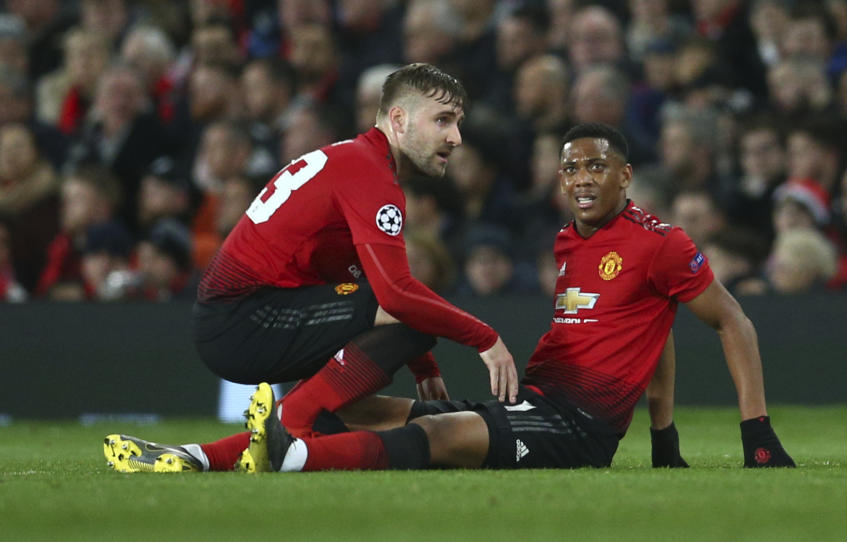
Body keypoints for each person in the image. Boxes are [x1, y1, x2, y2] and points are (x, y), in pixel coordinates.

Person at [226, 123, 792, 473]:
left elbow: (733, 322)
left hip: (576, 428)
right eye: (571, 168)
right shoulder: (568, 240)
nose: (582, 178)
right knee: (348, 410)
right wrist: (664, 439)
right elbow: (653, 327)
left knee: (438, 435)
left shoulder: (661, 243)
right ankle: (210, 455)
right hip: (531, 400)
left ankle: (294, 458)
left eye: (597, 165)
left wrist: (757, 433)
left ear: (626, 177)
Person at [103, 63, 518, 471]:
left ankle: (198, 455)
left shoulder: (352, 161)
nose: (456, 137)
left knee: (353, 406)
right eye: (443, 120)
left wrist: (423, 364)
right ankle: (291, 423)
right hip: (248, 319)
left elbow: (364, 281)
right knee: (409, 313)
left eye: (458, 122)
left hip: (243, 316)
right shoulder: (370, 176)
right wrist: (486, 339)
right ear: (398, 119)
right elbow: (395, 295)